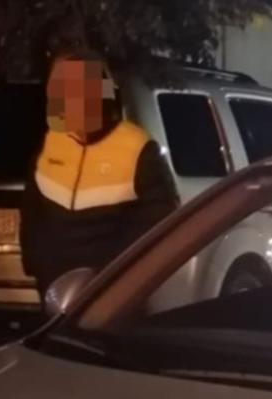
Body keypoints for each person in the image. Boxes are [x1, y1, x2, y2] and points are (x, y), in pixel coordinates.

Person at [20, 51, 177, 299]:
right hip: (55, 294)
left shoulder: (137, 148)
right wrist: (40, 269)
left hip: (111, 298)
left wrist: (114, 281)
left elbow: (157, 224)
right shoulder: (52, 143)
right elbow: (32, 214)